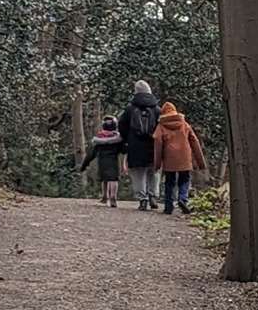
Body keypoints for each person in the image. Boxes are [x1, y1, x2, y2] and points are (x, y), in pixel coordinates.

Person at [151, 100, 206, 215]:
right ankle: (183, 199)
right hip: (184, 157)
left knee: (169, 182)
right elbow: (194, 141)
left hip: (169, 158)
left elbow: (157, 142)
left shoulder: (161, 126)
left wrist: (157, 164)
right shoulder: (184, 124)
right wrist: (201, 162)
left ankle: (168, 206)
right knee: (184, 180)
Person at [119, 80, 160, 210]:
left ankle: (142, 199)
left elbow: (122, 126)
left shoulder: (130, 109)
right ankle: (153, 196)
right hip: (153, 145)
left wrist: (128, 139)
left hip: (135, 146)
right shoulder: (157, 109)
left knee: (138, 173)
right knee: (154, 171)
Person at [77, 117, 127, 207]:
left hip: (102, 162)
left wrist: (84, 165)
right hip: (114, 162)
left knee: (104, 179)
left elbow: (91, 154)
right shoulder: (117, 139)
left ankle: (104, 197)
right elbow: (123, 150)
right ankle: (113, 197)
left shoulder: (99, 139)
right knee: (113, 180)